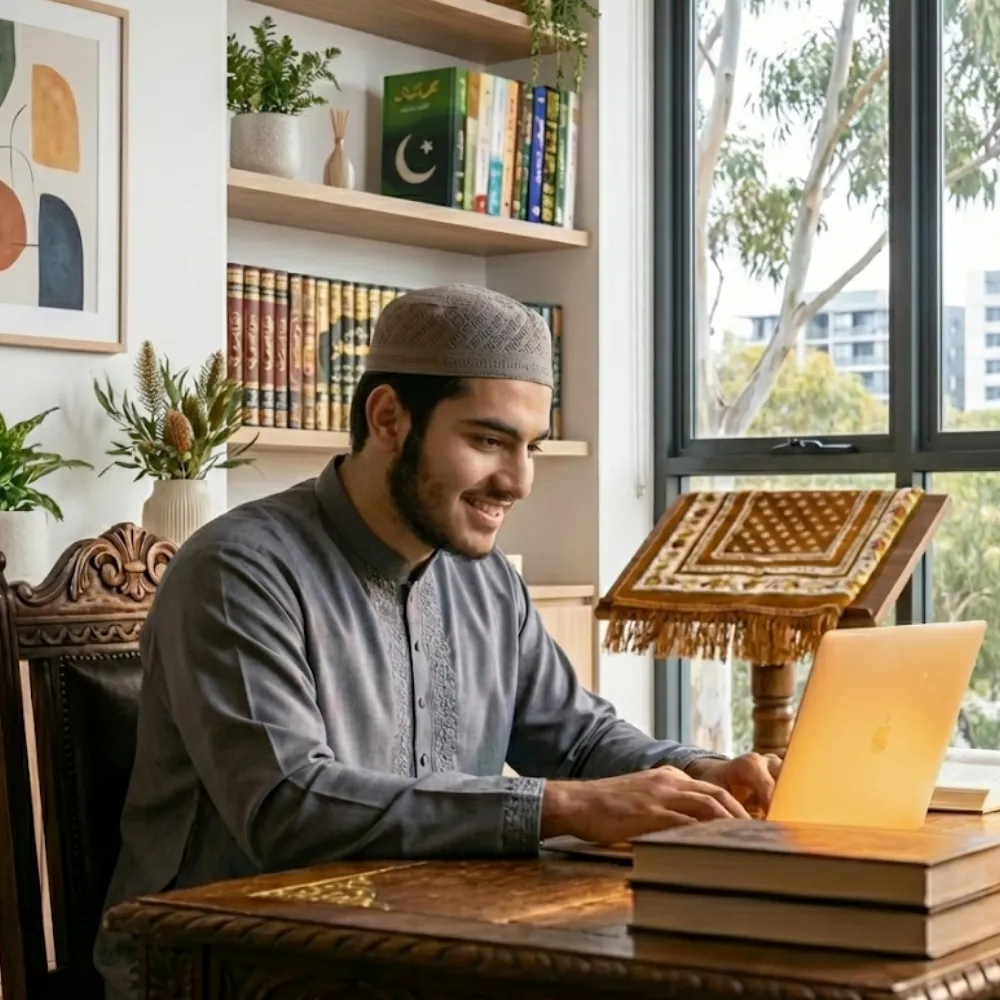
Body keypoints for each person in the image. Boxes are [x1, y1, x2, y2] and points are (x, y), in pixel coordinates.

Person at [95, 283, 781, 997]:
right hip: (219, 970)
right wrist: (562, 807)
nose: (518, 481)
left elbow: (577, 741)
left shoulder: (487, 581)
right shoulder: (237, 571)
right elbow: (289, 805)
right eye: (488, 441)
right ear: (388, 418)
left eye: (531, 447)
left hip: (425, 949)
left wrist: (700, 774)